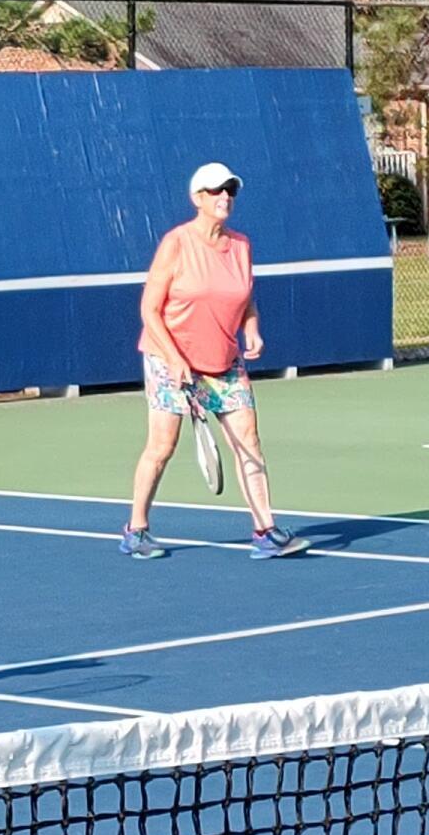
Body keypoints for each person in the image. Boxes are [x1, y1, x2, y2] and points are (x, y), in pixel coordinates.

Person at [123, 160, 305, 560]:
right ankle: (136, 529)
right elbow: (149, 310)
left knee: (249, 443)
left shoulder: (241, 246)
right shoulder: (177, 243)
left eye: (230, 191)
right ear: (197, 198)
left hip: (225, 362)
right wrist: (173, 359)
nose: (225, 197)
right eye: (216, 190)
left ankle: (265, 530)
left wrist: (252, 327)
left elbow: (244, 299)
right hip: (167, 359)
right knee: (161, 446)